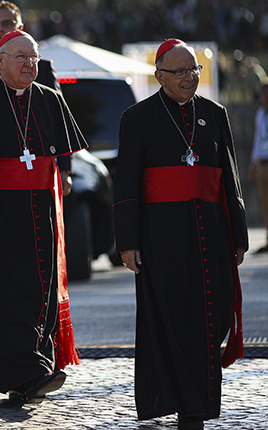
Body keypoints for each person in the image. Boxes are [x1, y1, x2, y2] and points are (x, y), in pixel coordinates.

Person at [113, 38, 248, 430]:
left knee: (213, 316)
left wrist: (238, 236)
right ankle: (191, 407)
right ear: (160, 76)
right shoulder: (137, 118)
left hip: (212, 233)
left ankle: (194, 402)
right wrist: (128, 242)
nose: (190, 77)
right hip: (161, 238)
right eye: (181, 71)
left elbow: (229, 177)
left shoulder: (214, 113)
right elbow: (126, 185)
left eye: (194, 69)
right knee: (174, 321)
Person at [0, 30, 84, 404]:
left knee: (40, 291)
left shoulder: (50, 99)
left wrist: (63, 176)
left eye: (34, 58)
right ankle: (26, 371)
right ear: (0, 61)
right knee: (5, 293)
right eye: (20, 57)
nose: (29, 64)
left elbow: (63, 156)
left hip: (40, 213)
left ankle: (35, 369)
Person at [249, 79, 268, 253]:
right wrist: (254, 165)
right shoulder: (260, 114)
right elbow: (258, 141)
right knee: (265, 203)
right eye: (264, 94)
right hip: (263, 164)